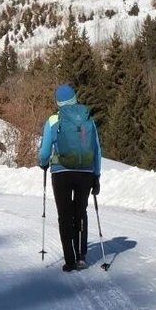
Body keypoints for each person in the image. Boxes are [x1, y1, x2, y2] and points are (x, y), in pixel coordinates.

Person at [39, 84, 102, 272]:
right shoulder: (87, 118)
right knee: (80, 212)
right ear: (75, 97)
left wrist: (43, 163)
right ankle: (82, 256)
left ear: (58, 102)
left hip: (61, 172)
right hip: (85, 172)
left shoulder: (53, 120)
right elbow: (97, 149)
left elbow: (44, 151)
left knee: (65, 216)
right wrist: (96, 175)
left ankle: (70, 260)